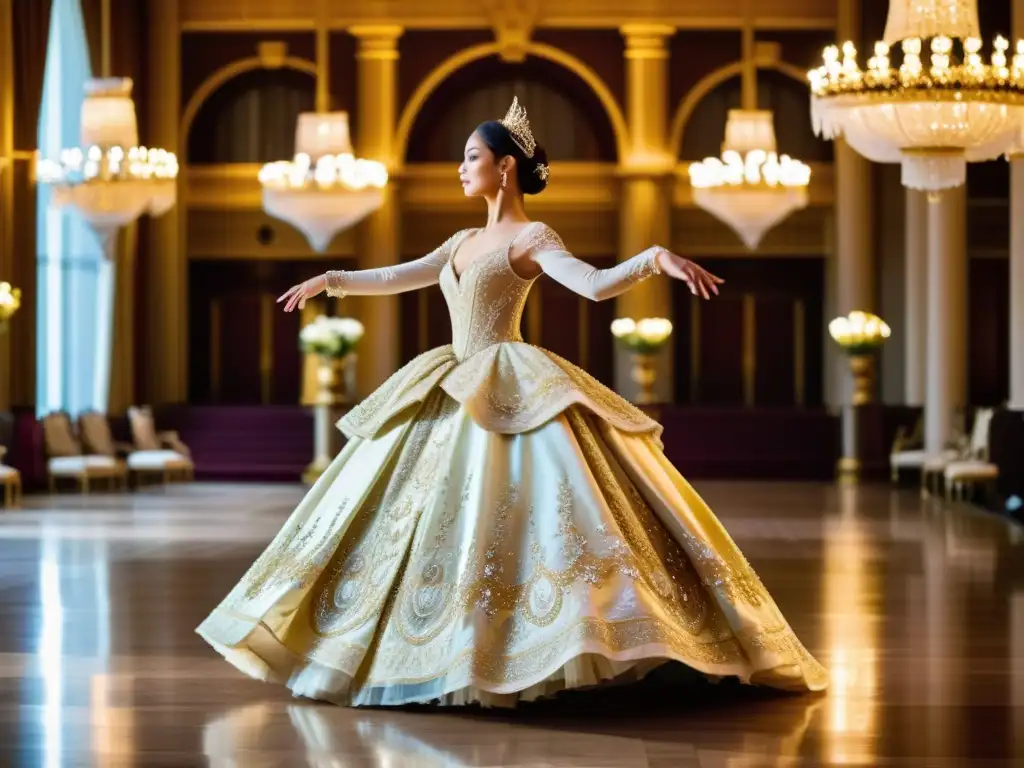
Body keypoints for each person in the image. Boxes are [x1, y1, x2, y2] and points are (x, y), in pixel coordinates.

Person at [196, 97, 828, 707]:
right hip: (450, 379)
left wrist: (654, 258)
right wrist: (329, 281)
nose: (462, 167)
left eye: (471, 156)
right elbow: (395, 276)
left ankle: (534, 645)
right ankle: (426, 645)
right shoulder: (459, 240)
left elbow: (594, 285)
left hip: (505, 374)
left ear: (504, 166)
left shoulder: (531, 235)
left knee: (521, 510)